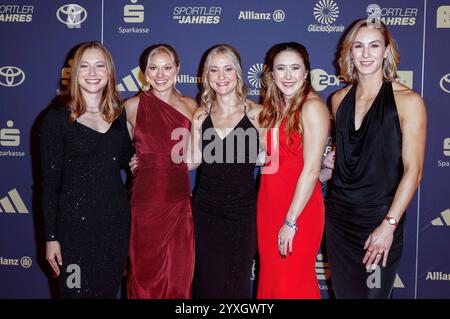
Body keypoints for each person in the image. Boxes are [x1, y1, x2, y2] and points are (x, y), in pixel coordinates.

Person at [325, 19, 426, 298]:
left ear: (386, 51)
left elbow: (413, 171)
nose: (366, 54)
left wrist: (388, 225)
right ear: (349, 52)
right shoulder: (338, 99)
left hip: (380, 220)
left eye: (374, 46)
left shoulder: (409, 101)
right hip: (339, 222)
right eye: (359, 46)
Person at [41, 41, 133, 298]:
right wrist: (51, 237)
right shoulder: (57, 118)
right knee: (74, 294)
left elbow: (126, 157)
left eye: (99, 66)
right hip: (73, 231)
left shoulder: (118, 114)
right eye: (85, 66)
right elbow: (49, 185)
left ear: (110, 72)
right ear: (74, 72)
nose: (93, 73)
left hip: (115, 226)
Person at [189, 44, 262, 298]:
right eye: (214, 70)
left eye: (227, 69)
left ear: (238, 73)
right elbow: (191, 161)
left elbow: (274, 159)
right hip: (205, 211)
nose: (221, 77)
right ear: (206, 76)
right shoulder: (200, 115)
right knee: (206, 283)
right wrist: (149, 158)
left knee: (236, 283)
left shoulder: (257, 114)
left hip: (243, 213)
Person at [256, 42, 329, 299]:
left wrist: (291, 221)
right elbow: (274, 159)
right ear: (271, 74)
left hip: (298, 211)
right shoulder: (276, 108)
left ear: (306, 72)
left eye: (295, 68)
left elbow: (310, 170)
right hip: (269, 205)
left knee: (292, 283)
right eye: (281, 69)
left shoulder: (312, 108)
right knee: (273, 280)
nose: (288, 76)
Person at [125, 44, 197, 298]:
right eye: (153, 68)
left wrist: (171, 164)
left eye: (167, 67)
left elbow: (199, 157)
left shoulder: (191, 106)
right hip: (143, 205)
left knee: (178, 280)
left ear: (178, 69)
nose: (160, 74)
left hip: (178, 204)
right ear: (144, 72)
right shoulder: (132, 106)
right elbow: (113, 150)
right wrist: (129, 159)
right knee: (144, 278)